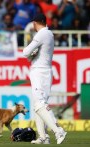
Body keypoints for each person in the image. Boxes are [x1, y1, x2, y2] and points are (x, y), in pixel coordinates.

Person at [22, 13, 67, 144]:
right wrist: (33, 54)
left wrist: (30, 53)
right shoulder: (49, 34)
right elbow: (33, 55)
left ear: (35, 23)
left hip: (40, 72)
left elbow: (25, 52)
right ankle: (43, 137)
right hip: (45, 71)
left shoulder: (42, 34)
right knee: (40, 105)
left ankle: (58, 131)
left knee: (39, 104)